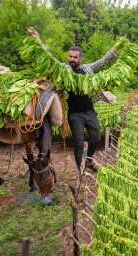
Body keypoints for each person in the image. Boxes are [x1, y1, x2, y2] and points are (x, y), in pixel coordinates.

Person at [28, 27, 122, 172]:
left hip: (90, 112)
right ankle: (81, 170)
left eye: (75, 57)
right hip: (75, 114)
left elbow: (103, 61)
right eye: (70, 57)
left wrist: (116, 48)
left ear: (81, 58)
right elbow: (50, 58)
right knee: (78, 143)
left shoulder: (88, 69)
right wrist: (38, 39)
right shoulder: (65, 70)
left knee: (96, 137)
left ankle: (89, 159)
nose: (72, 59)